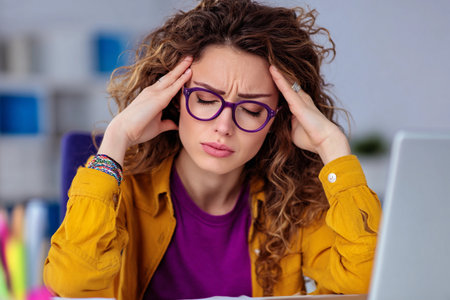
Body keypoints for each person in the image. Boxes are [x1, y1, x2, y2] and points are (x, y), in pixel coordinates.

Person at [43, 0, 382, 299]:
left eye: (251, 110)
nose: (224, 126)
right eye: (205, 100)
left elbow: (371, 282)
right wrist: (115, 140)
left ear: (279, 120)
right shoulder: (126, 188)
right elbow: (72, 284)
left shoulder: (297, 199)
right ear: (175, 98)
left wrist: (333, 147)